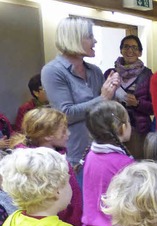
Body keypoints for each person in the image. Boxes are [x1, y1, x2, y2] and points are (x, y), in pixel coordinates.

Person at [41, 17, 120, 171]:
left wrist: (112, 90)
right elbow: (65, 114)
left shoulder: (95, 70)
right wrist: (103, 97)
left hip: (103, 149)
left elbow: (106, 109)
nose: (95, 41)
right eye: (90, 36)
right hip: (76, 157)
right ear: (74, 39)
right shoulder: (53, 71)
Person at [9, 108, 82, 226]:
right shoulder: (37, 167)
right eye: (63, 131)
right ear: (47, 136)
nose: (68, 134)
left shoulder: (57, 156)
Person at [104, 35, 153, 159]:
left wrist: (137, 103)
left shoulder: (147, 75)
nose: (130, 50)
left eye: (134, 47)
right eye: (126, 46)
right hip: (114, 130)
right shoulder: (110, 74)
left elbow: (154, 107)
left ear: (140, 52)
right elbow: (101, 101)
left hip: (139, 131)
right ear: (121, 50)